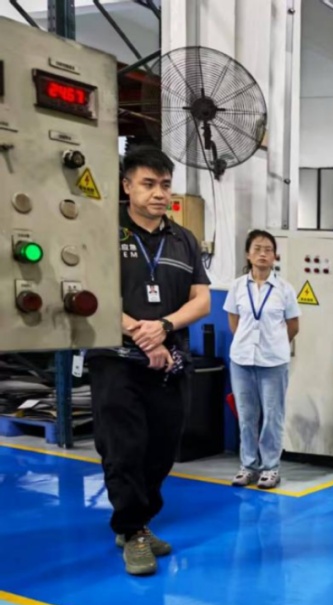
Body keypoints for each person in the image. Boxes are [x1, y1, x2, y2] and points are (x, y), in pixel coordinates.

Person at [87, 146, 211, 576]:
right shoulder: (104, 232)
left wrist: (164, 326)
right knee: (123, 448)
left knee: (162, 448)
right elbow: (91, 293)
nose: (159, 193)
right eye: (148, 184)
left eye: (165, 185)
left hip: (169, 363)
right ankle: (132, 530)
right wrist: (140, 332)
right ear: (127, 186)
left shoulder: (183, 240)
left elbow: (201, 299)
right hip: (116, 360)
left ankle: (138, 521)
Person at [224, 230, 300, 490]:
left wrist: (274, 344)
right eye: (257, 248)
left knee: (272, 416)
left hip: (273, 363)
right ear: (248, 254)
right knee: (246, 416)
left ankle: (270, 467)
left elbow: (293, 326)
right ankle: (248, 465)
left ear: (275, 255)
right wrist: (247, 342)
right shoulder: (237, 286)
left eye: (268, 249)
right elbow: (234, 321)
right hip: (241, 361)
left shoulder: (284, 289)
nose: (263, 254)